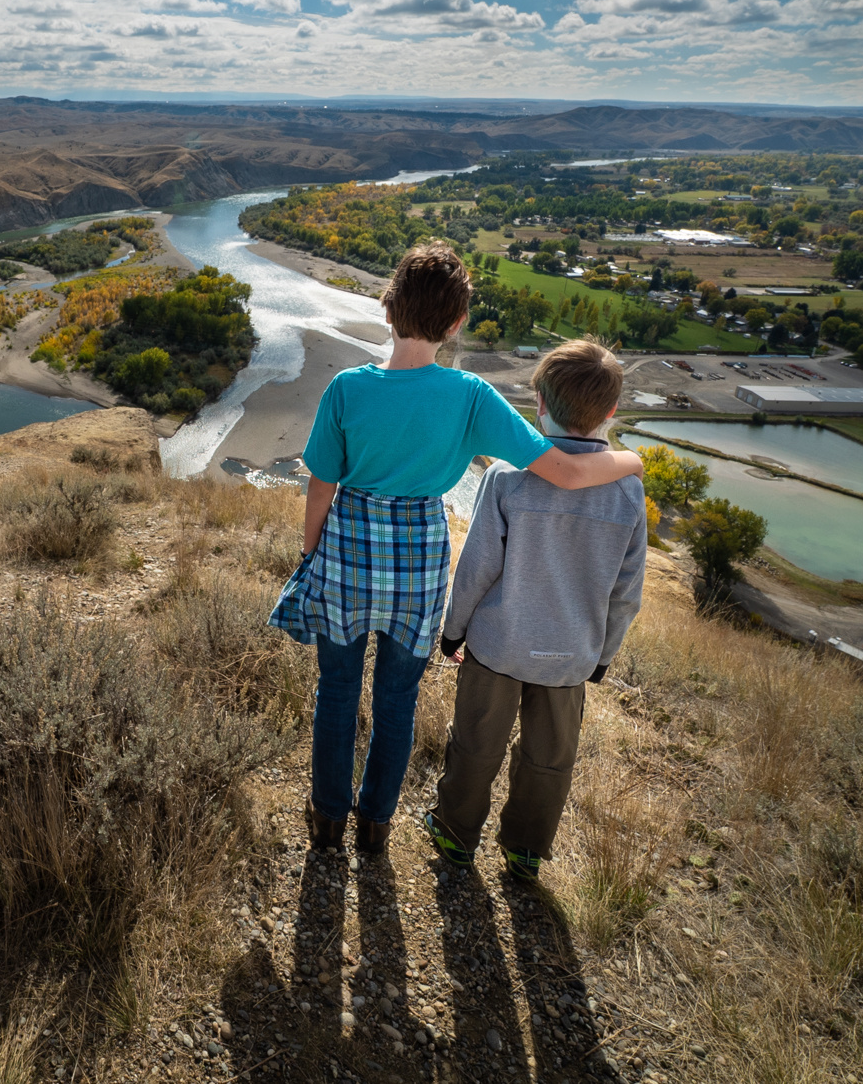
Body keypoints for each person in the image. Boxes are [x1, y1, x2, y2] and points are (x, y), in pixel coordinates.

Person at [269, 246, 643, 856]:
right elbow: (567, 473)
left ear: (389, 311)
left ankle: (329, 819)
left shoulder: (346, 390)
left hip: (346, 555)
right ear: (457, 323)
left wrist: (311, 556)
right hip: (418, 562)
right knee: (397, 697)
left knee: (336, 692)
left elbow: (321, 485)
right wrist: (633, 460)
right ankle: (376, 825)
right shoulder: (470, 396)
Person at [423, 339, 648, 881]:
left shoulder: (507, 476)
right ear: (612, 411)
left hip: (498, 646)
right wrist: (602, 656)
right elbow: (627, 592)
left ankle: (455, 836)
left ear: (540, 406)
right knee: (550, 759)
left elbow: (477, 566)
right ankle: (525, 849)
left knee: (476, 744)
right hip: (572, 655)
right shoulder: (627, 492)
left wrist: (453, 632)